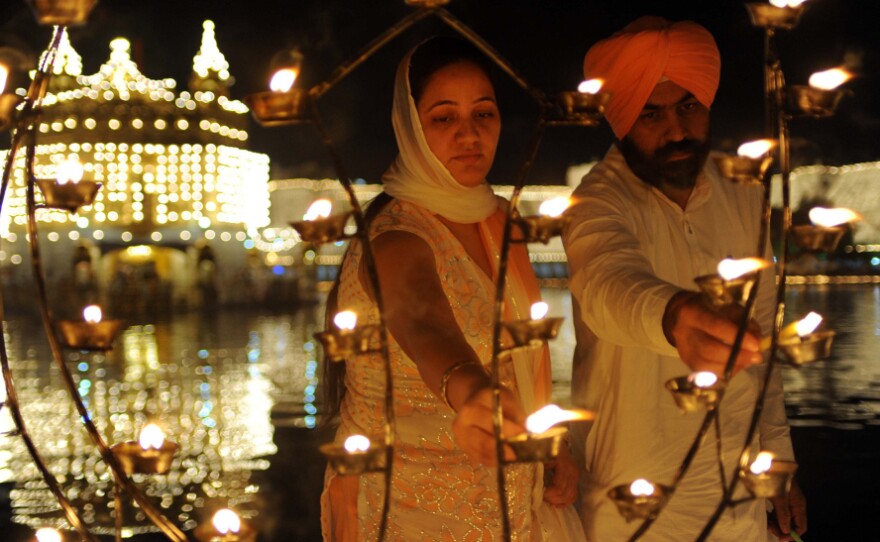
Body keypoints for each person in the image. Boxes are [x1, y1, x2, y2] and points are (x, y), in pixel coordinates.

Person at [320, 37, 583, 541]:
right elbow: (422, 320)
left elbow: (521, 355)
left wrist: (552, 444)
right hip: (409, 508)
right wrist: (470, 388)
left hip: (513, 495)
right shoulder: (394, 238)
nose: (469, 134)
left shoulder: (498, 220)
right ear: (411, 128)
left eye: (484, 114)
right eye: (444, 119)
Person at [562, 16, 808, 541]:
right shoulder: (596, 202)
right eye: (651, 113)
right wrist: (673, 316)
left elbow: (760, 344)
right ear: (622, 118)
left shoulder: (742, 192)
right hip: (632, 508)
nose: (675, 131)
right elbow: (608, 285)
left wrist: (779, 466)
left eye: (687, 107)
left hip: (740, 503)